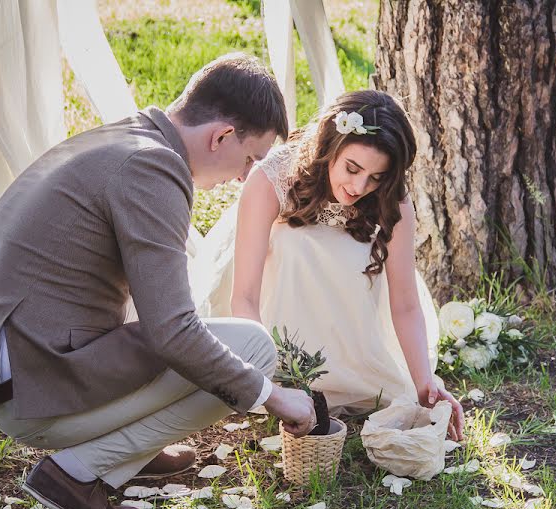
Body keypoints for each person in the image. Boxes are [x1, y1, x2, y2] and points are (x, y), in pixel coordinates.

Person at [0, 53, 316, 509]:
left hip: (3, 367)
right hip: (31, 392)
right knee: (253, 349)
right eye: (250, 160)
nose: (242, 177)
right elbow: (172, 332)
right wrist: (273, 397)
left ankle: (135, 446)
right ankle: (76, 473)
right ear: (220, 137)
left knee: (200, 338)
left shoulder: (126, 137)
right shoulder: (154, 170)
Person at [192, 90, 464, 440]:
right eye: (352, 168)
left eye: (376, 177)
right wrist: (265, 379)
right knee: (293, 241)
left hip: (351, 334)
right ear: (329, 146)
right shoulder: (272, 179)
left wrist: (425, 385)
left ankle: (340, 375)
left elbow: (406, 304)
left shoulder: (390, 201)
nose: (359, 186)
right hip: (265, 325)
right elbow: (243, 297)